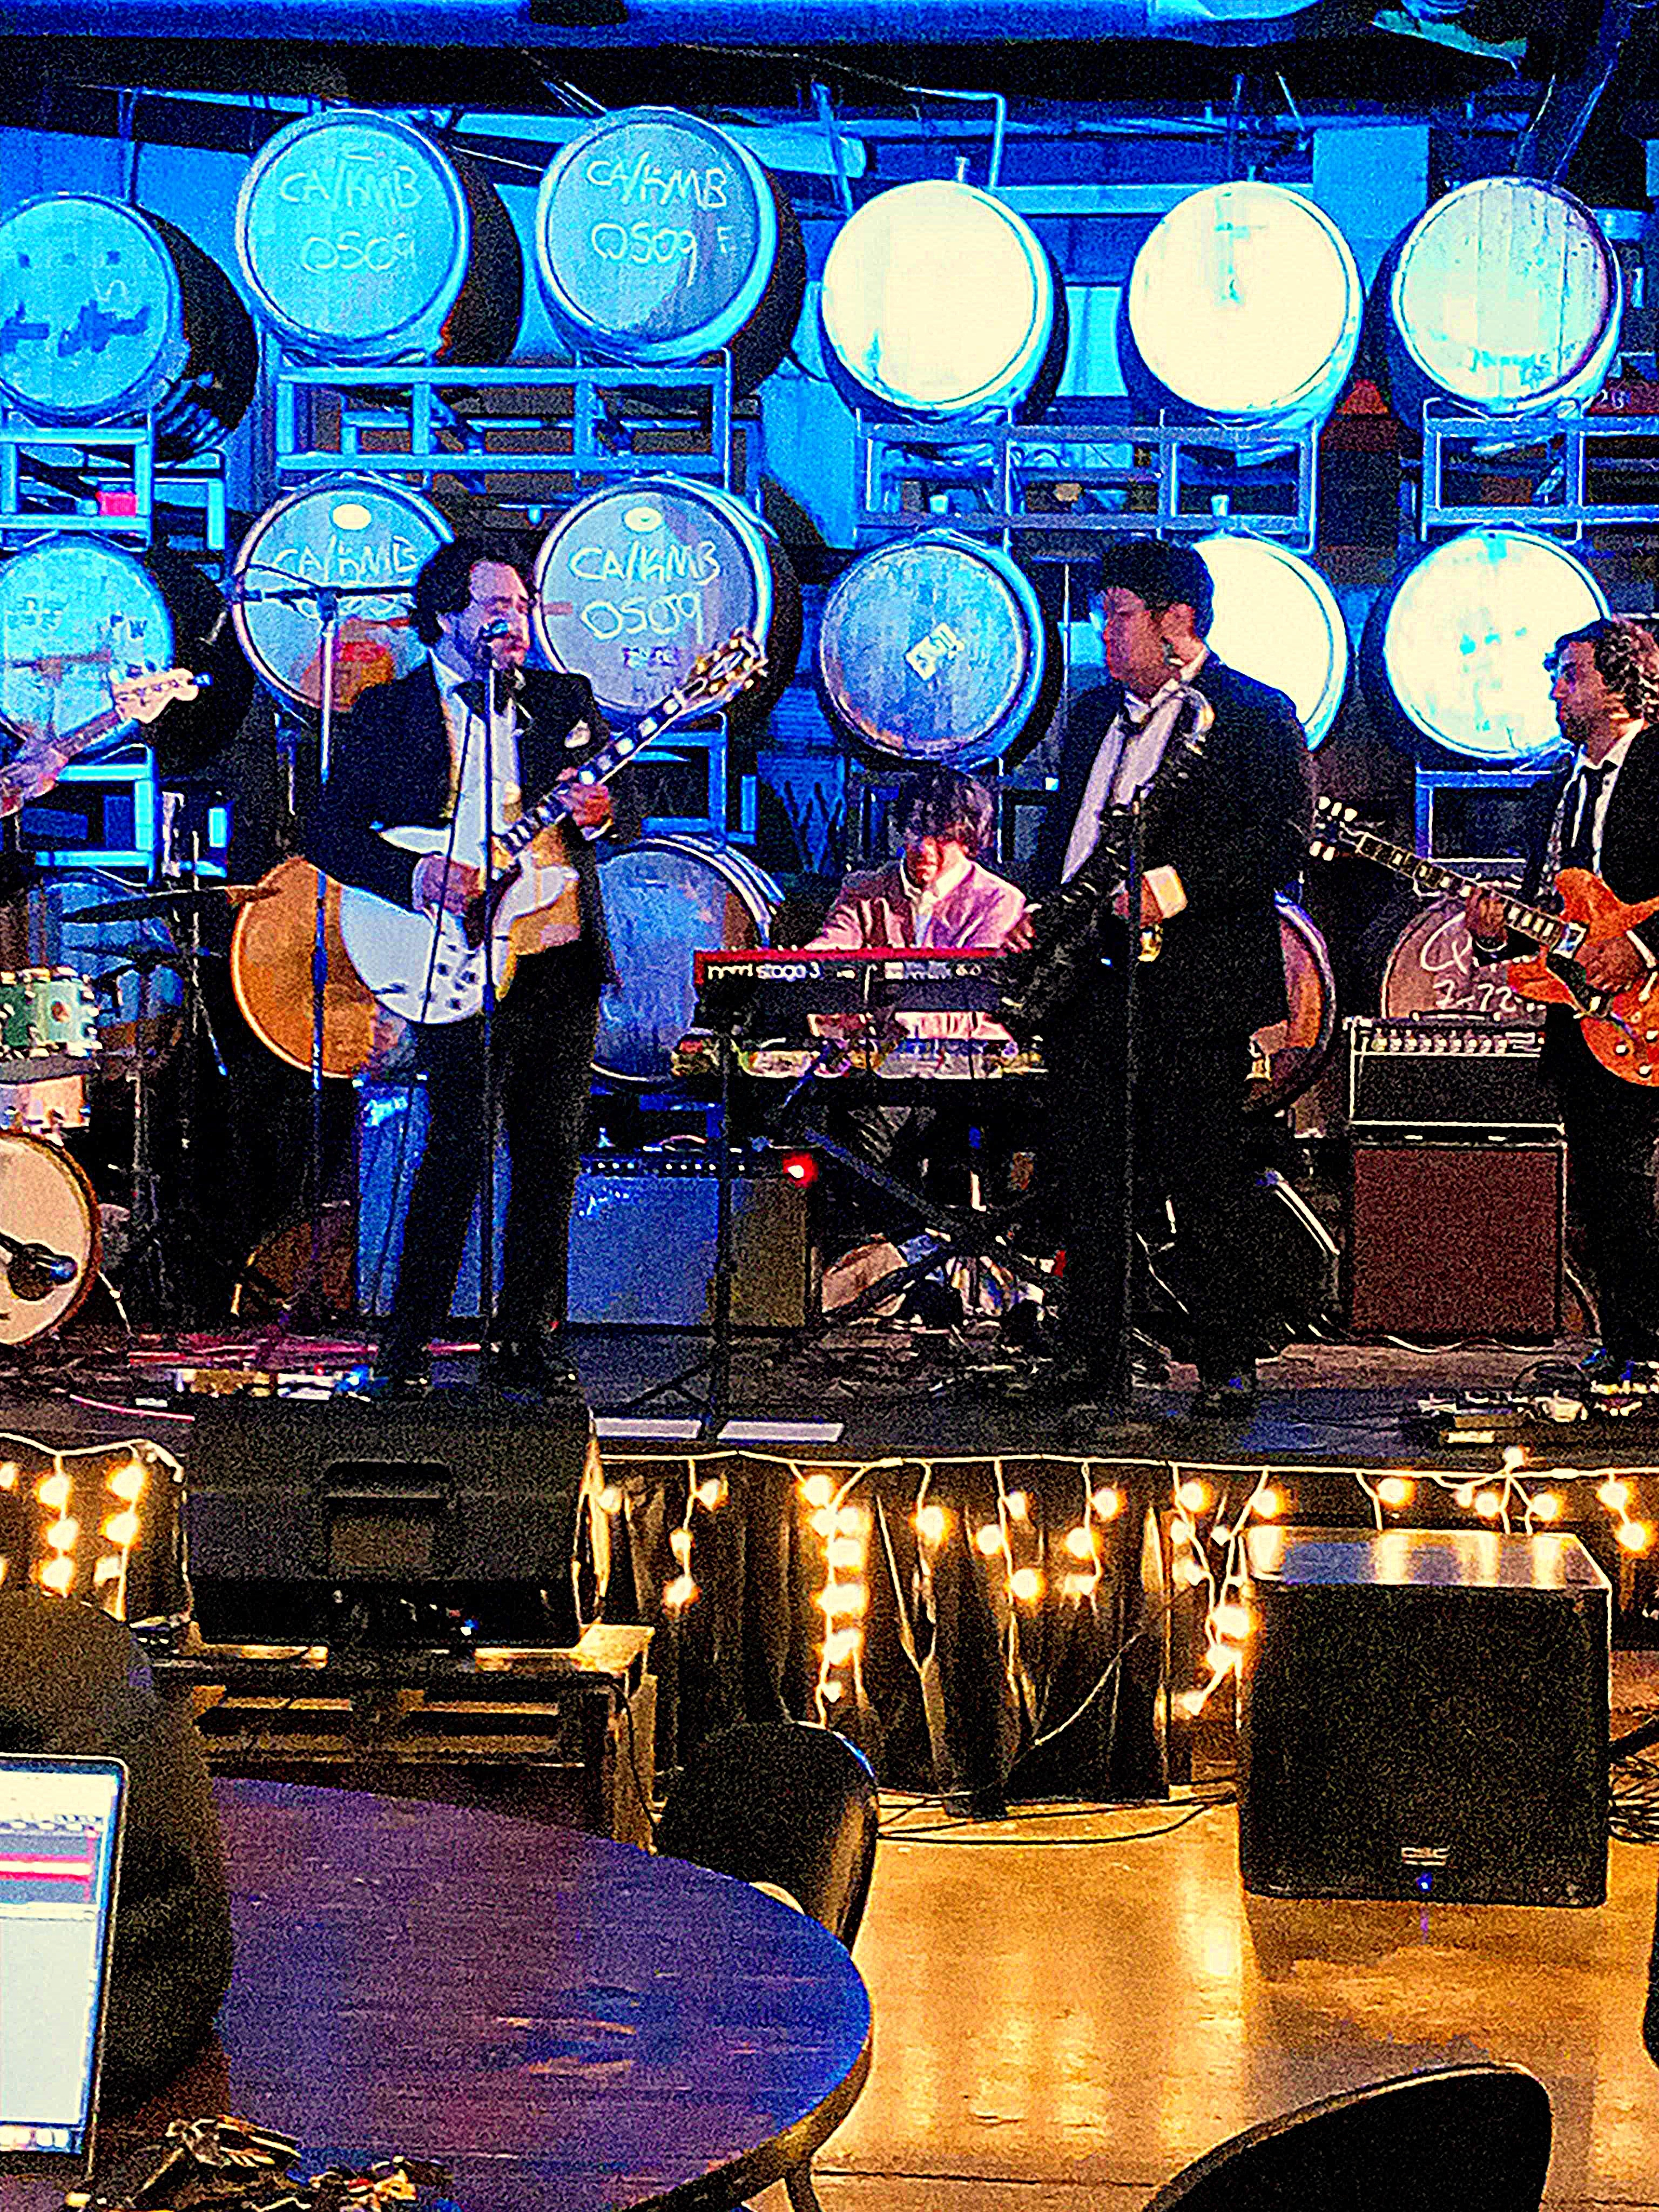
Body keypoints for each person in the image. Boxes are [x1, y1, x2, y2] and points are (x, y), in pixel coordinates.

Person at [308, 537, 637, 1399]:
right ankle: (406, 1346)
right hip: (457, 956)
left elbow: (629, 812)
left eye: (522, 607)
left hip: (557, 955)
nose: (514, 623)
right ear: (446, 616)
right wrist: (415, 873)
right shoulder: (388, 712)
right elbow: (328, 833)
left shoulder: (563, 700)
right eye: (496, 609)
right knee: (457, 1150)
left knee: (551, 1156)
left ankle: (528, 1337)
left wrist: (601, 815)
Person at [1031, 537, 1313, 1418]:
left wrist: (1173, 887)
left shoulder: (1253, 712)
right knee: (1092, 1177)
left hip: (1193, 987)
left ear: (1176, 620)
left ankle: (1226, 1359)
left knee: (1204, 1176)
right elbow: (1068, 829)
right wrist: (1040, 909)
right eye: (1101, 614)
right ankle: (1092, 1352)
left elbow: (1282, 840)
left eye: (1119, 615)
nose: (1103, 632)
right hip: (1091, 982)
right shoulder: (1091, 715)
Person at [1466, 616, 1659, 1383]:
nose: (1555, 690)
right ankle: (1630, 1345)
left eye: (1572, 675)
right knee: (1606, 1189)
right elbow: (1545, 916)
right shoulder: (1556, 789)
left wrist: (1642, 949)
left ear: (1620, 686)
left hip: (1649, 995)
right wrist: (1493, 935)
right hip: (1587, 1020)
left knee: (1636, 1186)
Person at [803, 768, 1029, 1261]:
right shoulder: (865, 890)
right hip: (885, 1070)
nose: (924, 848)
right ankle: (908, 1250)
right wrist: (810, 975)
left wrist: (894, 1017)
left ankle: (915, 1250)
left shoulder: (999, 901)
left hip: (968, 1078)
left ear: (969, 840)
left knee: (887, 1128)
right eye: (914, 832)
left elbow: (974, 999)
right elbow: (827, 958)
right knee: (832, 1117)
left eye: (942, 837)